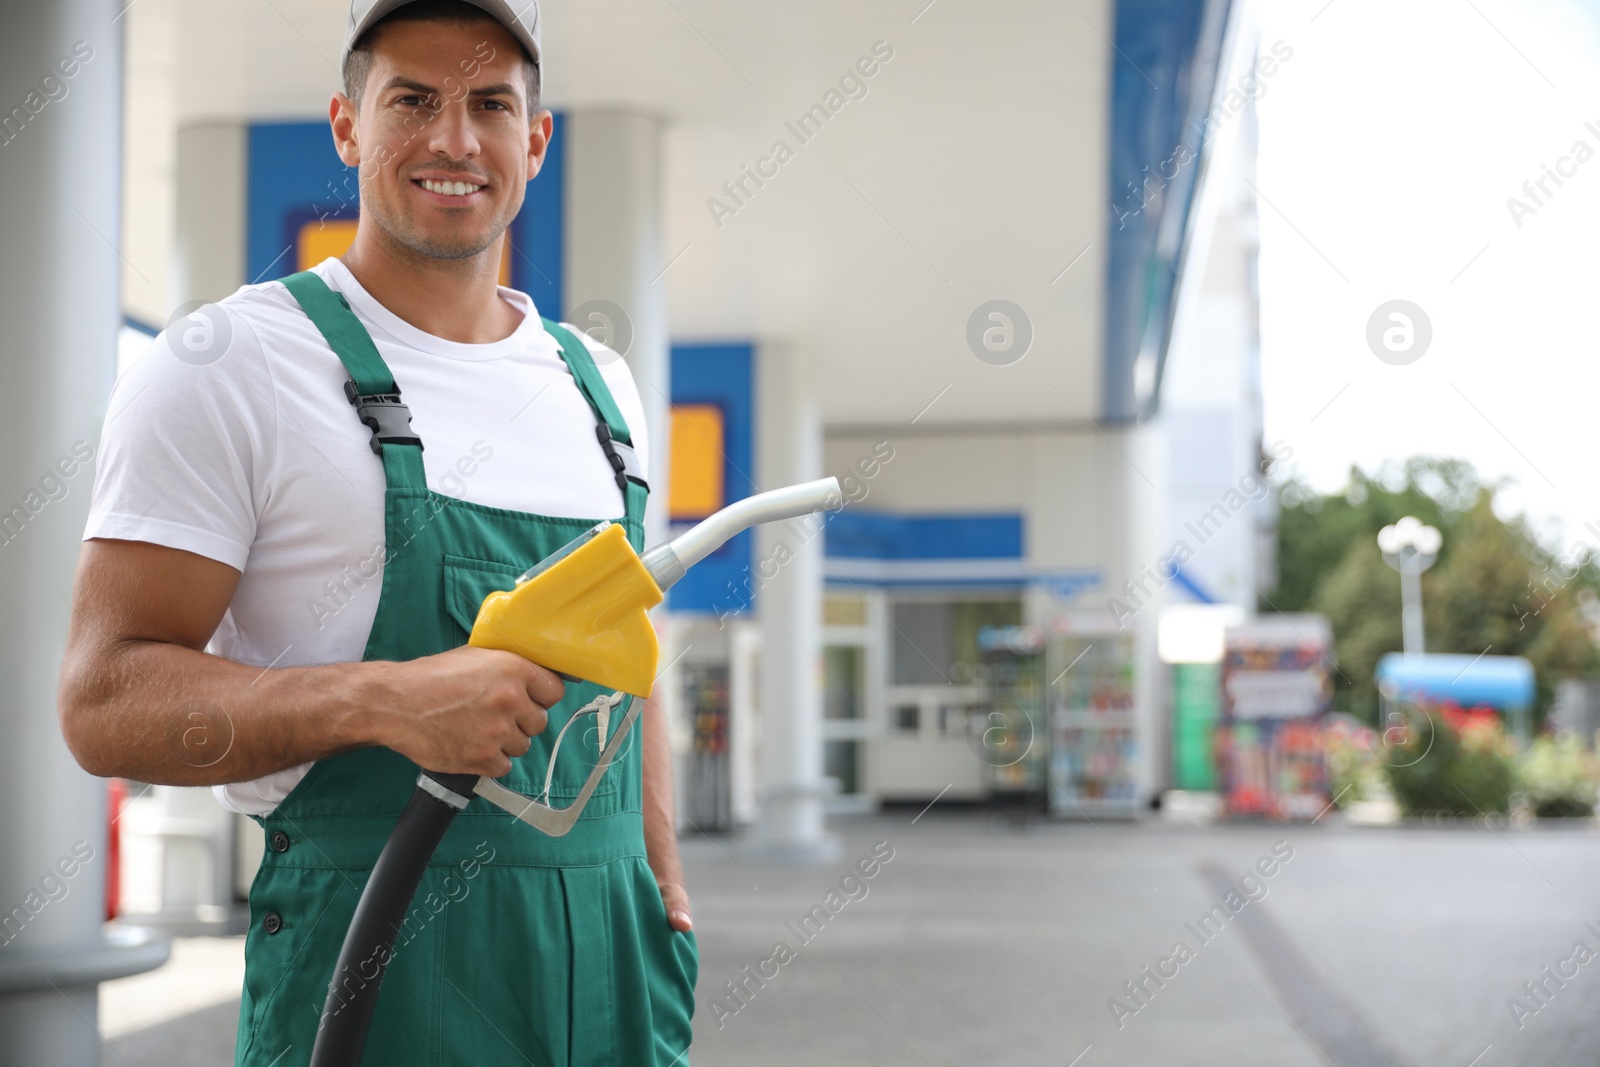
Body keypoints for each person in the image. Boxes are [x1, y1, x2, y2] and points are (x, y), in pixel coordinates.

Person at [57, 1, 697, 1063]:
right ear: (348, 127)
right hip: (379, 969)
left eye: (491, 103)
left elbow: (630, 657)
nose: (454, 139)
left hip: (609, 977)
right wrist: (385, 700)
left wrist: (659, 864)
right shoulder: (231, 364)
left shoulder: (602, 385)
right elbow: (103, 703)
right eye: (413, 99)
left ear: (534, 141)